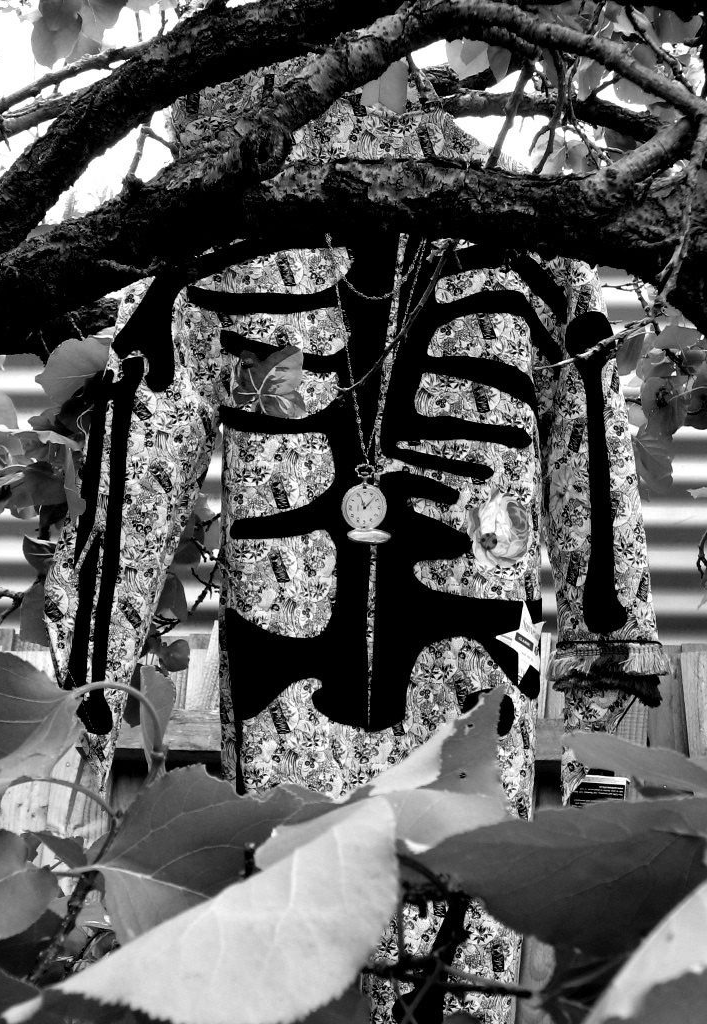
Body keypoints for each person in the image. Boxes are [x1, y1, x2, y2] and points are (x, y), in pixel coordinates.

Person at [44, 56, 668, 1023]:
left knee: (450, 954)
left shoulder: (531, 242)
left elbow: (591, 447)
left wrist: (605, 696)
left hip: (467, 700)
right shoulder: (234, 235)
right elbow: (139, 443)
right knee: (300, 956)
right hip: (288, 715)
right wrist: (89, 685)